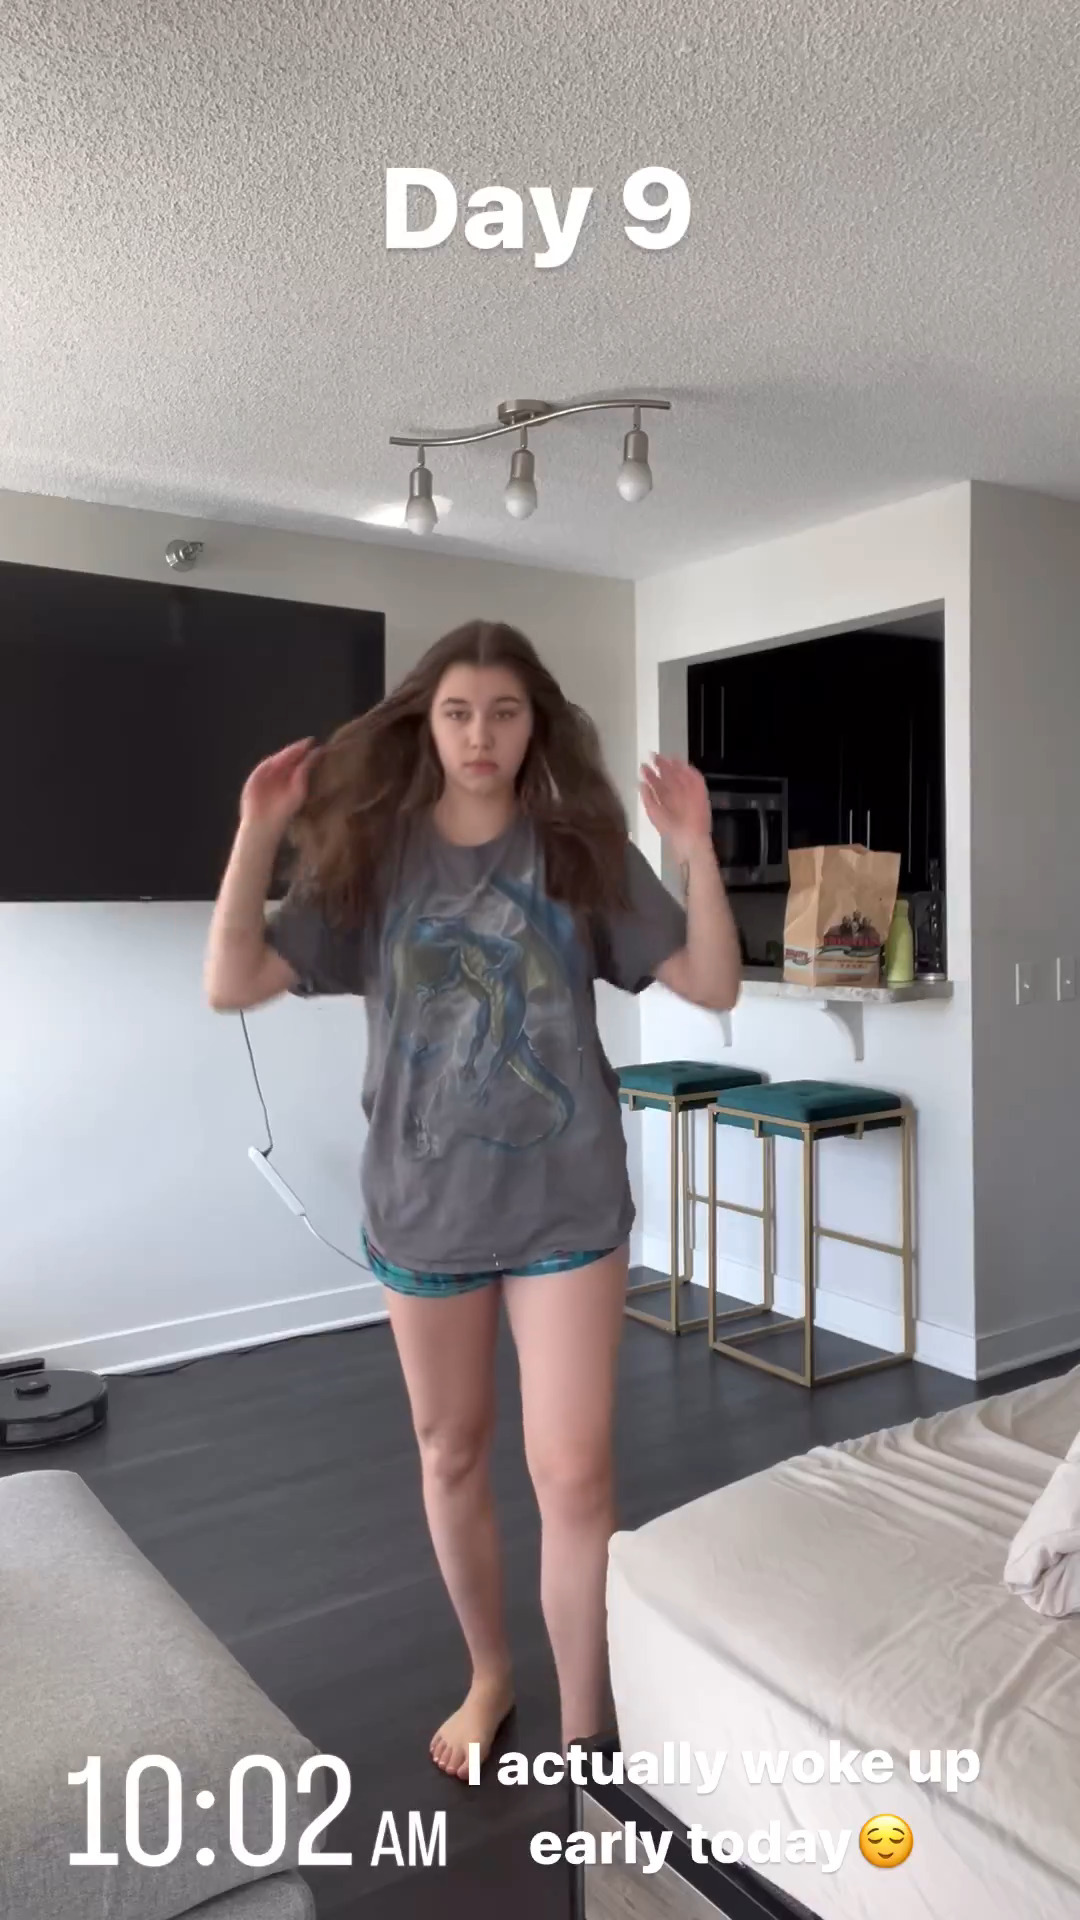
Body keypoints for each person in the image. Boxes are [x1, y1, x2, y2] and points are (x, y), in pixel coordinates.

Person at [203, 618, 741, 1779]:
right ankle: (491, 1674)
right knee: (451, 1456)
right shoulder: (372, 859)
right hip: (424, 1210)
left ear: (535, 724)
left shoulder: (581, 854)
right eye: (457, 712)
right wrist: (257, 832)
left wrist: (694, 849)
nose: (480, 734)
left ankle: (587, 1735)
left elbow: (710, 979)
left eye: (504, 712)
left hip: (566, 1207)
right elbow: (232, 979)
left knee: (576, 1476)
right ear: (426, 724)